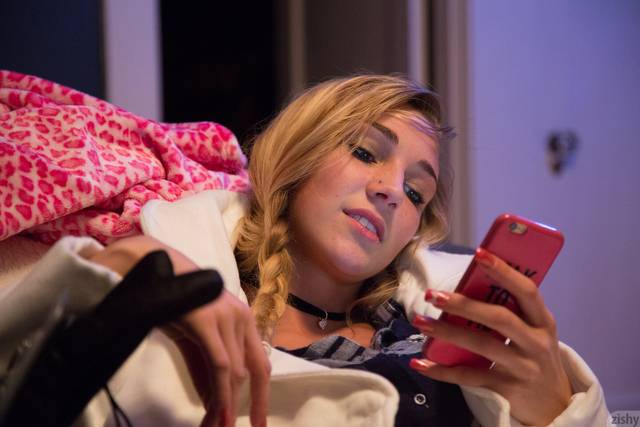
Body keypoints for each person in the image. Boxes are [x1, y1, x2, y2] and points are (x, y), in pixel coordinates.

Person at [85, 75, 607, 426]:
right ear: (297, 158)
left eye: (416, 193)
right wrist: (124, 266)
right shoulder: (188, 295)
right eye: (365, 152)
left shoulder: (442, 337)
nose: (392, 191)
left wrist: (557, 412)